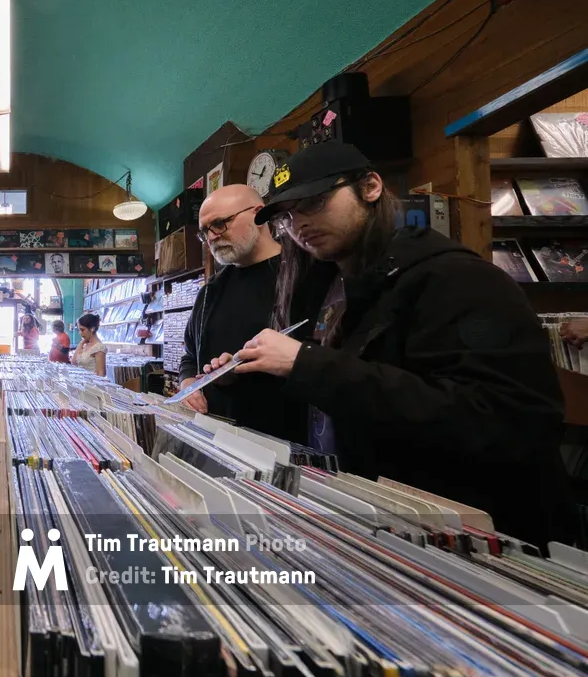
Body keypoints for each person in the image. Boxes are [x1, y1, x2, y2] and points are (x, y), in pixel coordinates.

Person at [209, 142, 574, 547]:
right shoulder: (328, 285)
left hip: (467, 539)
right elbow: (338, 402)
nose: (300, 224)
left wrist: (306, 364)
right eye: (288, 215)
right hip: (372, 521)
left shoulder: (458, 279)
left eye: (314, 202)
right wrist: (246, 378)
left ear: (370, 187)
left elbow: (505, 420)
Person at [177, 184, 306, 442]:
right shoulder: (210, 292)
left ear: (259, 215)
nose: (212, 237)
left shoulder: (304, 274)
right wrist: (188, 383)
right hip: (217, 439)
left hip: (288, 442)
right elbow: (190, 356)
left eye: (220, 224)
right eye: (205, 232)